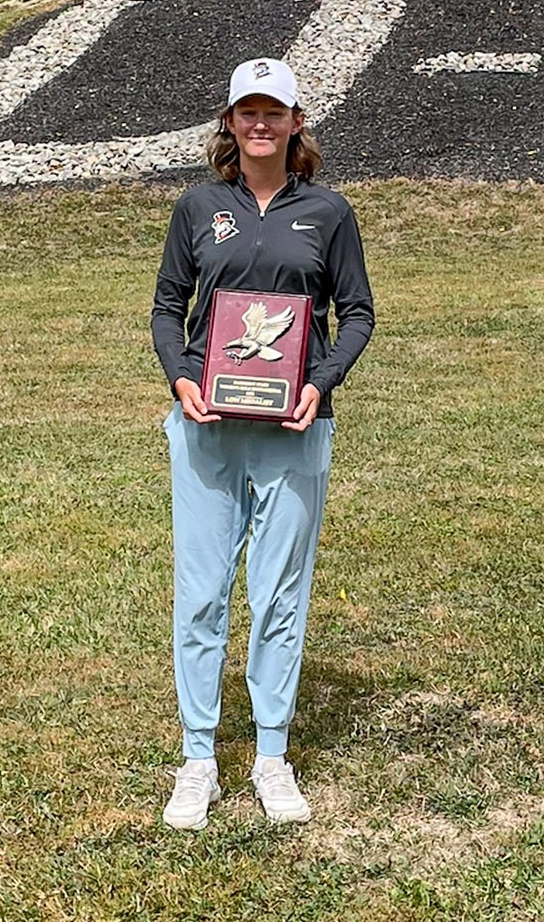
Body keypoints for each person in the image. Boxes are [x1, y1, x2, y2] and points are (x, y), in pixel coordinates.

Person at [149, 57, 376, 829]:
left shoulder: (331, 212)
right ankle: (199, 758)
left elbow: (358, 314)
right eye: (247, 111)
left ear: (295, 122)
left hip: (293, 430)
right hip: (208, 430)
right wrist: (181, 377)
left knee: (280, 591)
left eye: (272, 112)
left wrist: (321, 381)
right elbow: (167, 308)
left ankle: (272, 755)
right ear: (229, 121)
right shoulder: (197, 207)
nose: (259, 124)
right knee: (203, 592)